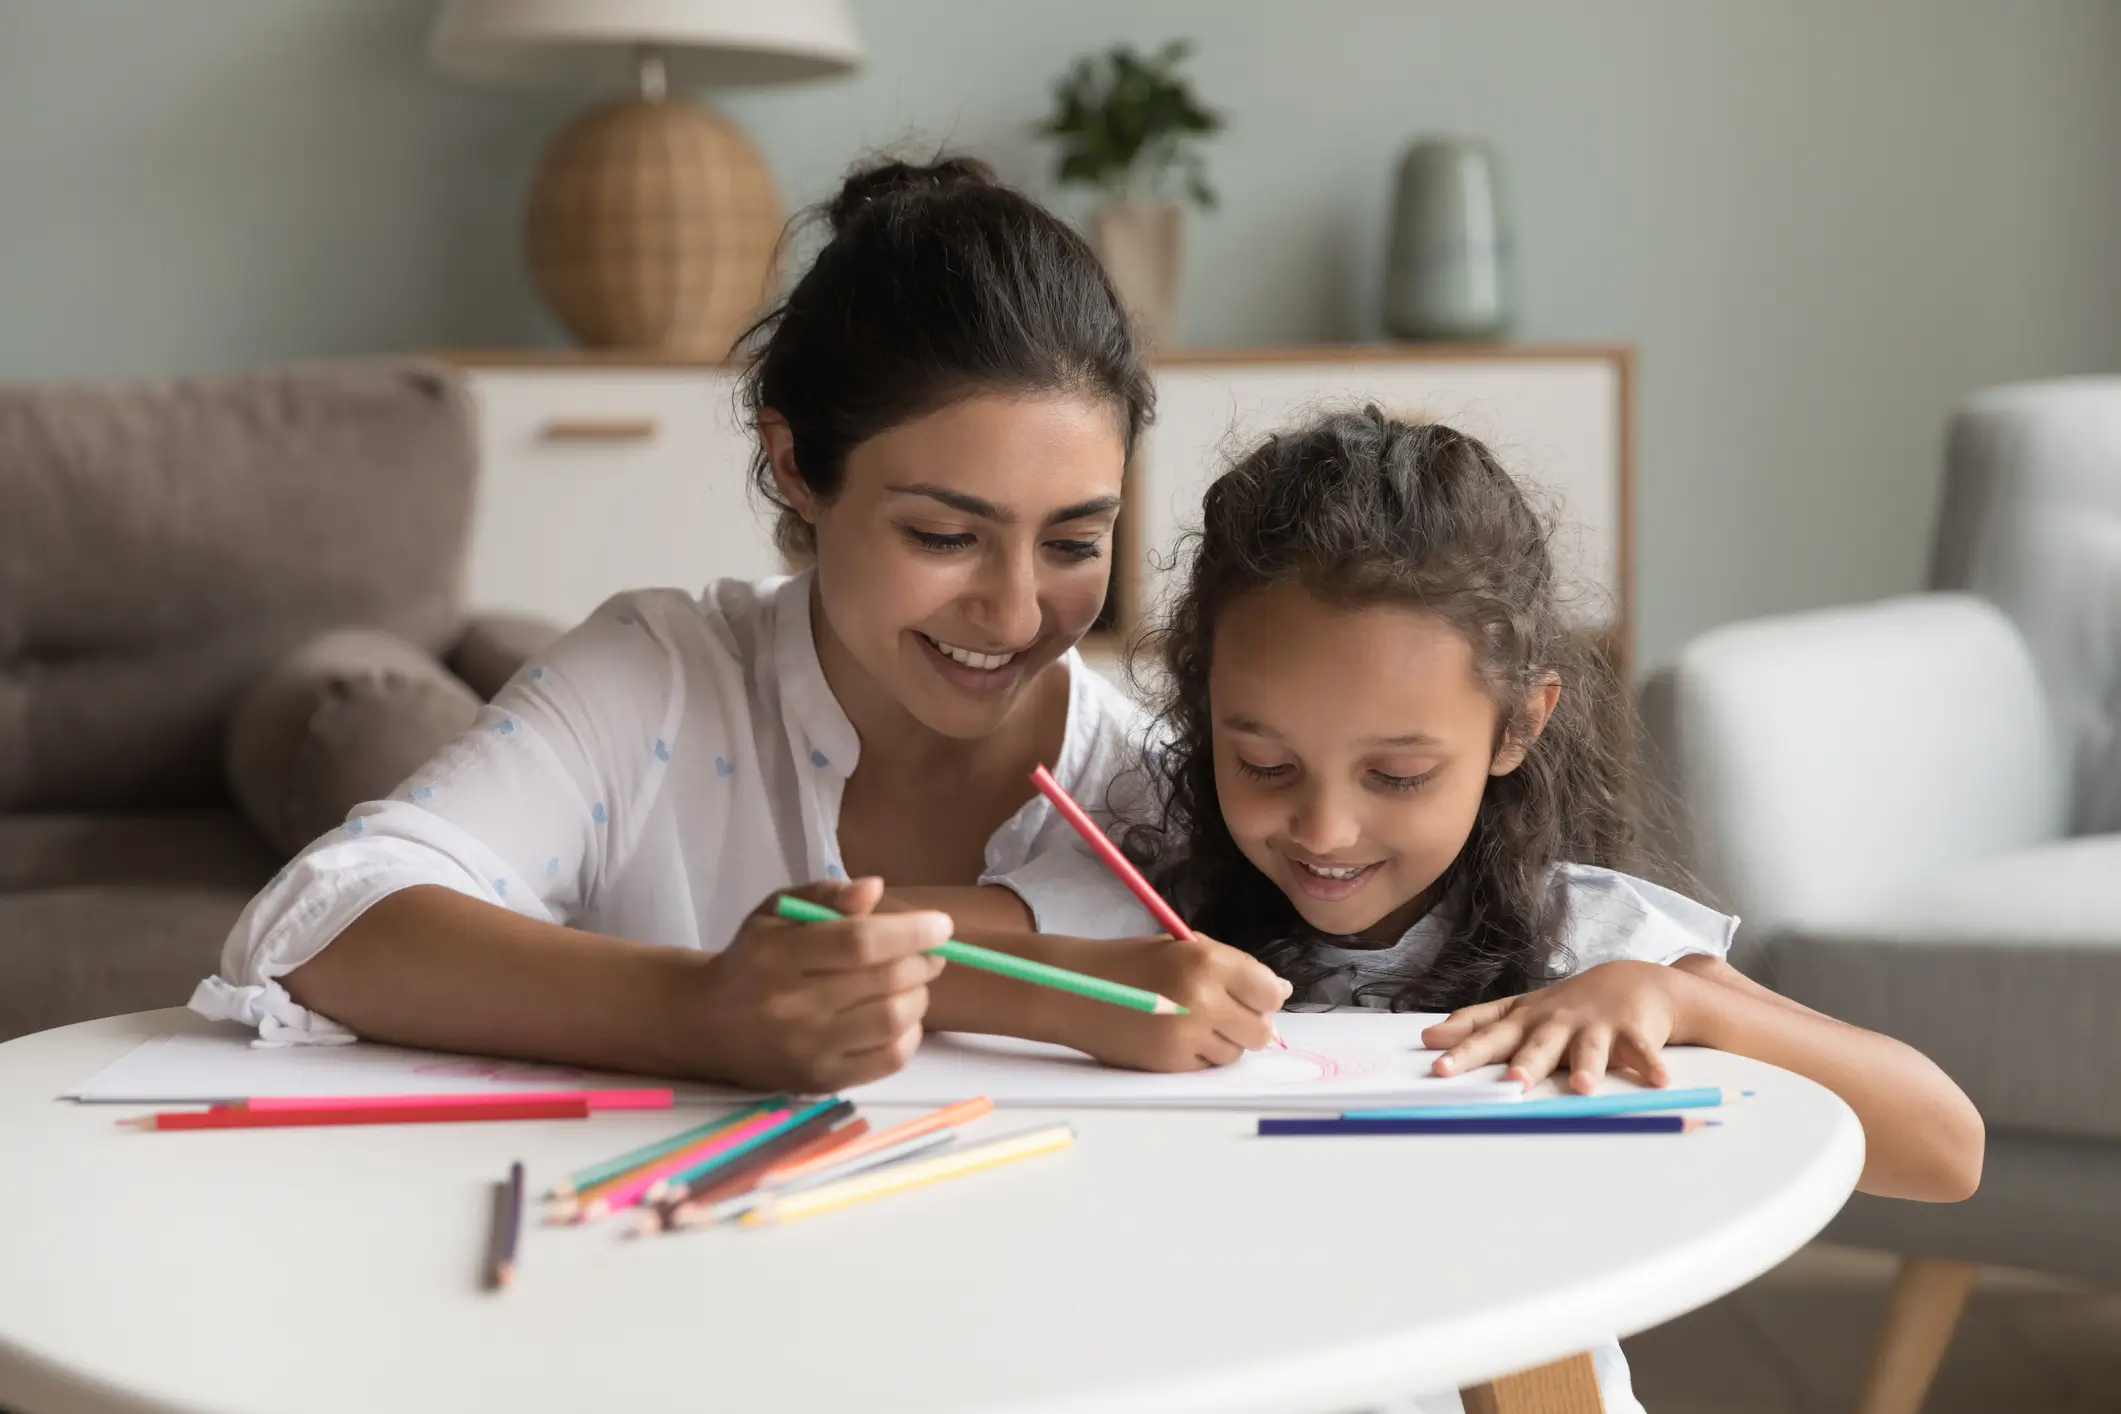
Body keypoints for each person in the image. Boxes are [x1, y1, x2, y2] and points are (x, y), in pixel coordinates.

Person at [192, 156, 1286, 1090]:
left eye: (1071, 543)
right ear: (796, 463)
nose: (1012, 612)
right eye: (945, 537)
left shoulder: (1149, 785)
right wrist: (697, 1009)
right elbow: (317, 923)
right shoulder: (657, 679)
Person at [1120, 408, 1984, 1414]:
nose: (1325, 826)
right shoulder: (1150, 916)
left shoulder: (1588, 945)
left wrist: (1685, 1002)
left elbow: (1945, 1150)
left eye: (1397, 775)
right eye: (1263, 762)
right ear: (1203, 699)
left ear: (1518, 725)